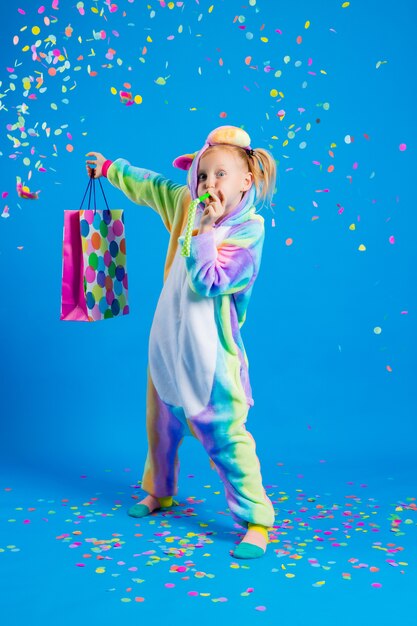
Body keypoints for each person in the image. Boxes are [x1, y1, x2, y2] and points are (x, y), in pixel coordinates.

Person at [85, 125, 276, 559]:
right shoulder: (188, 205)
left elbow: (211, 282)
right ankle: (159, 491)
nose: (209, 185)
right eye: (203, 176)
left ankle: (256, 521)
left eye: (221, 175)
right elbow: (151, 186)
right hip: (167, 345)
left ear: (246, 180)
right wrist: (112, 169)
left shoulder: (248, 233)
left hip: (209, 360)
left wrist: (205, 232)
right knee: (160, 428)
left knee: (227, 437)